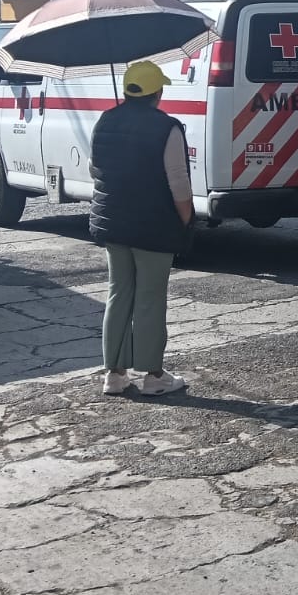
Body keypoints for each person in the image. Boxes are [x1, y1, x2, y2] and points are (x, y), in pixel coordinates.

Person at [90, 61, 193, 397]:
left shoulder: (105, 121)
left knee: (118, 292)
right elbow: (178, 182)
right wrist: (186, 219)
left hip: (113, 224)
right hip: (153, 225)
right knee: (150, 297)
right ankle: (153, 375)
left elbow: (95, 169)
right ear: (156, 93)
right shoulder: (167, 128)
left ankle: (114, 375)